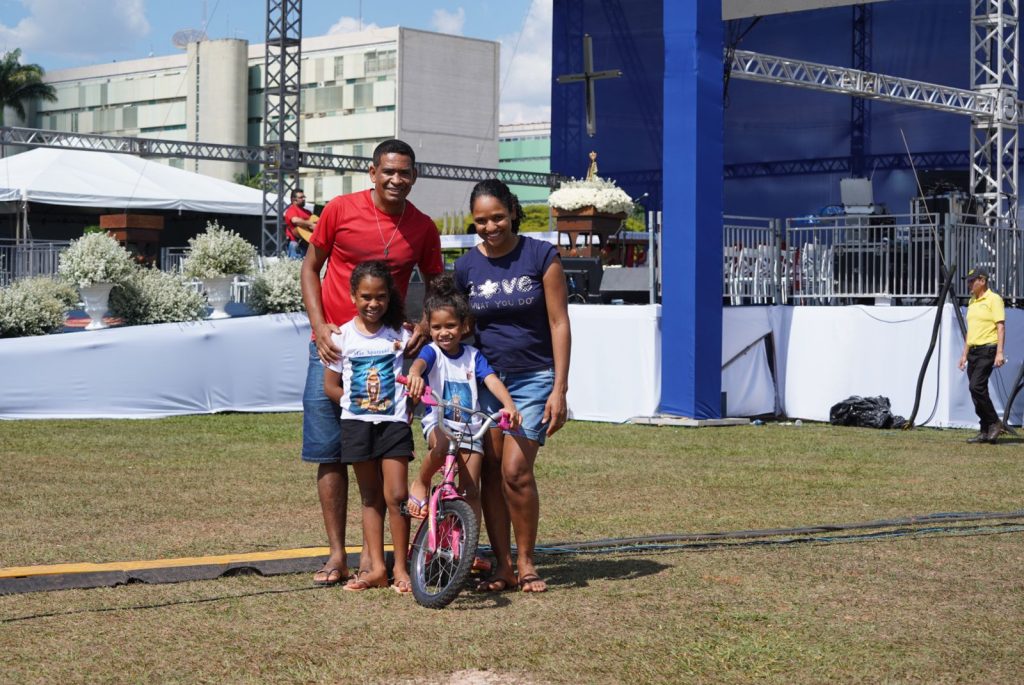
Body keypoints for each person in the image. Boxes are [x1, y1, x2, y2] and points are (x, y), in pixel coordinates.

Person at [300, 139, 443, 587]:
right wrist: (321, 327)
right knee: (329, 453)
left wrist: (422, 324)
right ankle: (337, 556)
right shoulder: (340, 210)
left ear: (414, 176)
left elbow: (436, 284)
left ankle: (380, 561)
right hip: (334, 349)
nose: (396, 180)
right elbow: (310, 268)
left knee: (383, 456)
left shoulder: (422, 226)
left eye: (405, 173)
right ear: (372, 172)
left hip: (387, 355)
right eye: (389, 171)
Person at [454, 179, 571, 593]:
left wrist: (560, 388)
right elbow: (455, 325)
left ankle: (526, 562)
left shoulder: (541, 256)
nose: (490, 226)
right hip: (485, 380)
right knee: (489, 470)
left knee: (515, 471)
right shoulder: (466, 266)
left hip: (534, 377)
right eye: (481, 220)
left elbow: (559, 323)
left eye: (497, 217)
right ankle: (503, 566)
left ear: (512, 212)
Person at [322, 261, 414, 593]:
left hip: (393, 425)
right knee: (370, 497)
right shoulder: (341, 336)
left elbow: (418, 370)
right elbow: (330, 386)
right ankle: (376, 569)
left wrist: (411, 406)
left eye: (380, 297)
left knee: (398, 496)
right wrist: (353, 405)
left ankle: (401, 568)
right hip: (357, 426)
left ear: (389, 298)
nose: (373, 304)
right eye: (365, 297)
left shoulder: (402, 335)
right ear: (352, 296)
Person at [404, 273, 521, 525]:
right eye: (436, 327)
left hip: (470, 430)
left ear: (464, 325)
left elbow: (491, 380)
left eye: (450, 326)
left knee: (470, 491)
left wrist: (509, 405)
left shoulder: (473, 356)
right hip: (440, 424)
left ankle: (466, 543)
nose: (443, 333)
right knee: (442, 445)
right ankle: (422, 481)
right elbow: (420, 364)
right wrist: (414, 373)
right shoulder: (432, 351)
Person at [959, 266, 1007, 444]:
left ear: (983, 280)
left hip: (988, 348)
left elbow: (1000, 327)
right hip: (973, 350)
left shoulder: (994, 299)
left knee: (975, 386)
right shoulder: (972, 301)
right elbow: (970, 331)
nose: (969, 284)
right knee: (977, 391)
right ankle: (984, 429)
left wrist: (1000, 352)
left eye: (972, 281)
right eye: (968, 281)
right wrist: (964, 354)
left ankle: (994, 422)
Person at [284, 188, 315, 260]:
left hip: (307, 243)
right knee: (296, 268)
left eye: (304, 197)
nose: (303, 199)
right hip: (296, 244)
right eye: (301, 197)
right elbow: (295, 220)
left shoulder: (308, 212)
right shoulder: (292, 209)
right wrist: (310, 225)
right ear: (293, 200)